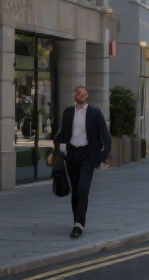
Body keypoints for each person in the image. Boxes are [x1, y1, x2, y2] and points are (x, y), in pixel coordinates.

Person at [52, 85, 112, 238]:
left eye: (82, 93)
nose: (80, 95)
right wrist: (56, 151)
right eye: (77, 93)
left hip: (87, 154)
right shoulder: (68, 112)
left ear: (86, 95)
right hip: (72, 154)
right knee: (75, 190)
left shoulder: (94, 112)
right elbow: (62, 133)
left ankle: (79, 224)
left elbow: (105, 135)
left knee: (83, 189)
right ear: (74, 95)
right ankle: (76, 221)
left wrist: (104, 155)